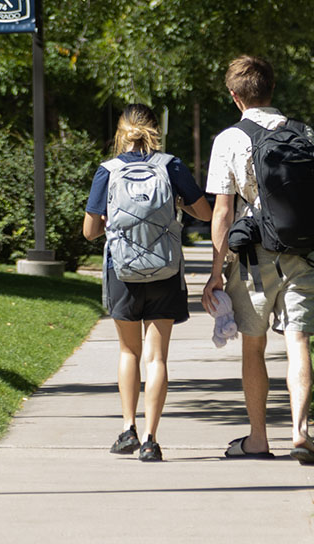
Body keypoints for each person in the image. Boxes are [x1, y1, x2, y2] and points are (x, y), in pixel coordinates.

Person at [201, 55, 314, 465]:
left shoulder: (229, 139)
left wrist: (215, 272)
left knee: (253, 348)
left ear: (235, 97)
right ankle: (301, 433)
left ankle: (258, 439)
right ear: (272, 89)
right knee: (298, 341)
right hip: (301, 253)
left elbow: (222, 210)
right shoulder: (304, 132)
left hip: (253, 261)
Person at [82, 104, 212, 462]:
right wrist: (178, 204)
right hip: (165, 270)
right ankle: (152, 439)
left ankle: (128, 429)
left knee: (129, 352)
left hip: (122, 272)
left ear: (120, 133)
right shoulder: (171, 166)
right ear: (156, 130)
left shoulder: (106, 171)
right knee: (157, 358)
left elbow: (90, 232)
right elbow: (205, 213)